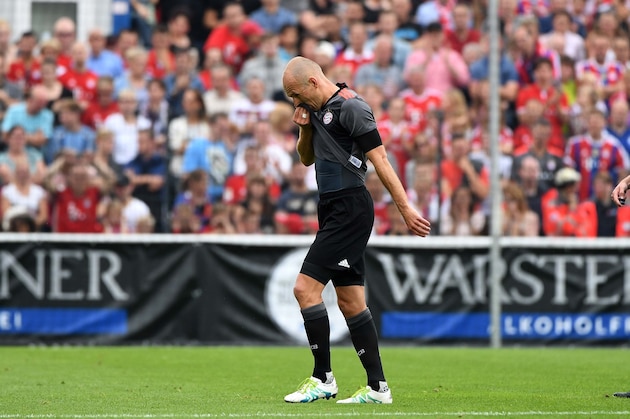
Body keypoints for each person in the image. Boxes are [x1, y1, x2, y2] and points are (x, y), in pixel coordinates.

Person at [281, 57, 430, 404]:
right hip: (332, 208)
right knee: (350, 301)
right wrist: (304, 125)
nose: (295, 102)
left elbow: (380, 160)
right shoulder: (315, 110)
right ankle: (378, 388)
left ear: (314, 82)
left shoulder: (353, 107)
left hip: (350, 209)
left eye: (296, 95)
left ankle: (323, 379)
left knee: (304, 290)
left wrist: (405, 208)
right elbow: (306, 159)